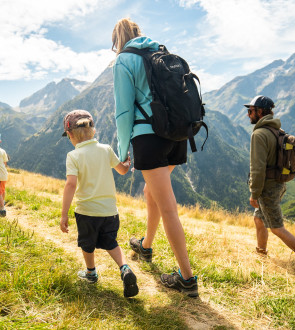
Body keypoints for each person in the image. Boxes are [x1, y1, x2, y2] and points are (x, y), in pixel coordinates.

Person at [111, 18, 198, 297]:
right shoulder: (160, 52)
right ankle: (145, 246)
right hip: (177, 134)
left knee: (168, 206)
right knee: (152, 191)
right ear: (139, 33)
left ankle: (187, 279)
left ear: (118, 40)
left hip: (149, 137)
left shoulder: (124, 60)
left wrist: (123, 150)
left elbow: (124, 111)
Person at [59, 109, 139, 298]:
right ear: (93, 131)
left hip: (86, 211)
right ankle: (124, 268)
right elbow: (122, 170)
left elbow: (71, 184)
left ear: (70, 135)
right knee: (111, 242)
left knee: (87, 244)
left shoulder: (73, 156)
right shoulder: (105, 149)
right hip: (110, 211)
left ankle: (91, 273)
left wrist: (64, 214)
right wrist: (127, 163)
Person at [245, 95, 295, 267]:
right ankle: (261, 253)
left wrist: (254, 193)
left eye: (250, 111)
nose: (248, 114)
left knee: (276, 227)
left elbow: (257, 168)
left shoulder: (259, 134)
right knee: (259, 219)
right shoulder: (276, 131)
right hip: (279, 184)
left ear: (260, 112)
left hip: (267, 188)